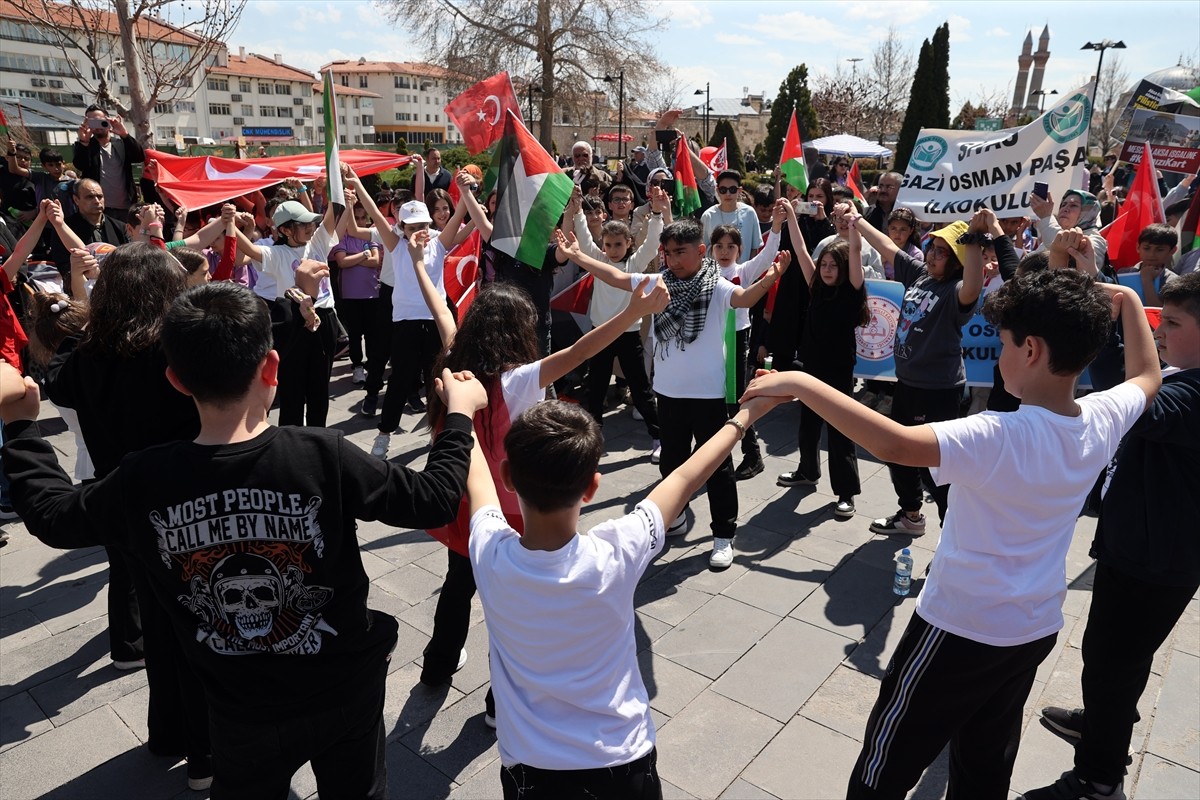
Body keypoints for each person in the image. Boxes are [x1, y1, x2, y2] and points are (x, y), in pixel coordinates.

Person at [0, 280, 488, 798]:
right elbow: (433, 498)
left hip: (236, 706)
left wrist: (22, 426)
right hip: (342, 691)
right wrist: (458, 416)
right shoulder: (324, 455)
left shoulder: (143, 478)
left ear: (176, 380)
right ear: (271, 368)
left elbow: (53, 516)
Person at [742, 268, 1162, 800]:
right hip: (1032, 627)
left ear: (1030, 349)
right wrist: (1126, 299)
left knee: (885, 764)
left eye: (1004, 343)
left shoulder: (1000, 434)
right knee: (986, 761)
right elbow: (1148, 376)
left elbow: (895, 444)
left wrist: (800, 384)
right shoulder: (1100, 417)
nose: (998, 352)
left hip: (958, 629)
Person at [465, 392, 785, 800]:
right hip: (621, 760)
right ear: (592, 487)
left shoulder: (490, 553)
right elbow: (684, 478)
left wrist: (463, 411)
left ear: (508, 476)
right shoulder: (616, 550)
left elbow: (476, 477)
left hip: (531, 769)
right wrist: (747, 415)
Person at [404, 230, 668, 714]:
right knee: (509, 607)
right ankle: (494, 704)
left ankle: (436, 666)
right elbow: (582, 352)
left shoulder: (453, 362)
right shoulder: (518, 379)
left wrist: (419, 262)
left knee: (457, 584)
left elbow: (441, 307)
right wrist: (632, 315)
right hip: (507, 507)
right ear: (518, 331)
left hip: (459, 498)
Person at [1022, 272, 1200, 800]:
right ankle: (1104, 721)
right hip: (1140, 546)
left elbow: (1130, 400)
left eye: (1172, 322)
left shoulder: (1192, 394)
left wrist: (1121, 313)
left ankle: (1097, 780)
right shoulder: (1183, 375)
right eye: (1157, 319)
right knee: (1115, 656)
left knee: (1112, 661)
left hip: (1155, 559)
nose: (1159, 330)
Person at [574, 217, 787, 568]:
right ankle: (675, 517)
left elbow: (746, 297)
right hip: (669, 393)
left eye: (681, 253)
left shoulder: (717, 286)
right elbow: (615, 276)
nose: (673, 260)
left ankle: (723, 535)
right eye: (668, 253)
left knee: (717, 466)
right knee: (673, 462)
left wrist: (772, 275)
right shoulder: (658, 284)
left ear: (701, 251)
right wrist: (578, 255)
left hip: (709, 397)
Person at [850, 208, 985, 534]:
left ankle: (955, 536)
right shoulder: (920, 274)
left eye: (942, 252)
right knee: (898, 454)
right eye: (931, 248)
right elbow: (886, 247)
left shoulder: (954, 291)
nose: (933, 255)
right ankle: (911, 516)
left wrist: (977, 241)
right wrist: (857, 219)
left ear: (956, 261)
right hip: (908, 384)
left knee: (935, 469)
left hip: (937, 391)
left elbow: (974, 285)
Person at [776, 205, 869, 517]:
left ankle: (846, 493)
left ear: (844, 269)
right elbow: (801, 249)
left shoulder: (852, 291)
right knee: (808, 424)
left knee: (841, 431)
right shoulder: (815, 285)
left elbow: (855, 249)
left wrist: (853, 223)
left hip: (839, 370)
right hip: (811, 368)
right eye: (824, 264)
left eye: (833, 265)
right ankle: (807, 471)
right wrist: (791, 214)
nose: (827, 269)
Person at [566, 185, 667, 461]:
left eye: (618, 245)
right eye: (608, 245)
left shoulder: (634, 265)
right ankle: (593, 438)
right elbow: (585, 241)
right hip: (600, 334)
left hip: (629, 334)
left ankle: (659, 437)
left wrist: (657, 213)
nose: (612, 250)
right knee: (595, 388)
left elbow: (652, 245)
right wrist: (576, 211)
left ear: (628, 244)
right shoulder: (598, 260)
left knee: (641, 388)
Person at [233, 198, 339, 427]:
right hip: (295, 323)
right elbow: (249, 249)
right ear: (285, 229)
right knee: (292, 387)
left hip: (324, 319)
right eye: (302, 224)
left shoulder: (318, 241)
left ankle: (317, 438)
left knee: (319, 389)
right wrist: (230, 224)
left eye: (310, 222)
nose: (310, 227)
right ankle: (292, 440)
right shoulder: (276, 253)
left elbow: (333, 211)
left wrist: (337, 178)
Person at [705, 201, 786, 480]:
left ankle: (752, 455)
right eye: (719, 246)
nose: (724, 252)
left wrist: (775, 226)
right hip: (712, 341)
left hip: (738, 338)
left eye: (730, 246)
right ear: (711, 248)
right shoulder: (706, 271)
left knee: (737, 399)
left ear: (739, 250)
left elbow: (767, 256)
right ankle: (716, 453)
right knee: (713, 398)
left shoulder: (745, 271)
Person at [48, 178, 127, 287]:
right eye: (90, 197)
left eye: (100, 196)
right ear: (76, 200)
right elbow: (63, 264)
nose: (96, 201)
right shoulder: (63, 229)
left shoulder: (120, 227)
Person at [72, 105, 144, 224]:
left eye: (100, 120)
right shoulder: (84, 146)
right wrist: (84, 142)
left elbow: (139, 157)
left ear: (107, 120)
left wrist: (125, 134)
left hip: (125, 207)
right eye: (92, 122)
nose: (97, 125)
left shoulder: (121, 143)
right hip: (98, 209)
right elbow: (80, 165)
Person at [1116, 223, 1178, 307]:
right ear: (1138, 247)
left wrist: (1147, 280)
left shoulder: (1173, 281)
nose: (1151, 254)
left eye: (1159, 250)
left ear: (1172, 251)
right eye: (1146, 248)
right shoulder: (1122, 274)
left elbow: (1158, 313)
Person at [700, 170, 760, 254]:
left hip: (744, 267)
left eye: (732, 189)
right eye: (723, 190)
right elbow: (703, 249)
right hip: (715, 267)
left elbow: (755, 248)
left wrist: (750, 267)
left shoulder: (749, 213)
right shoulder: (708, 216)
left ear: (739, 191)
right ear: (717, 191)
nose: (728, 194)